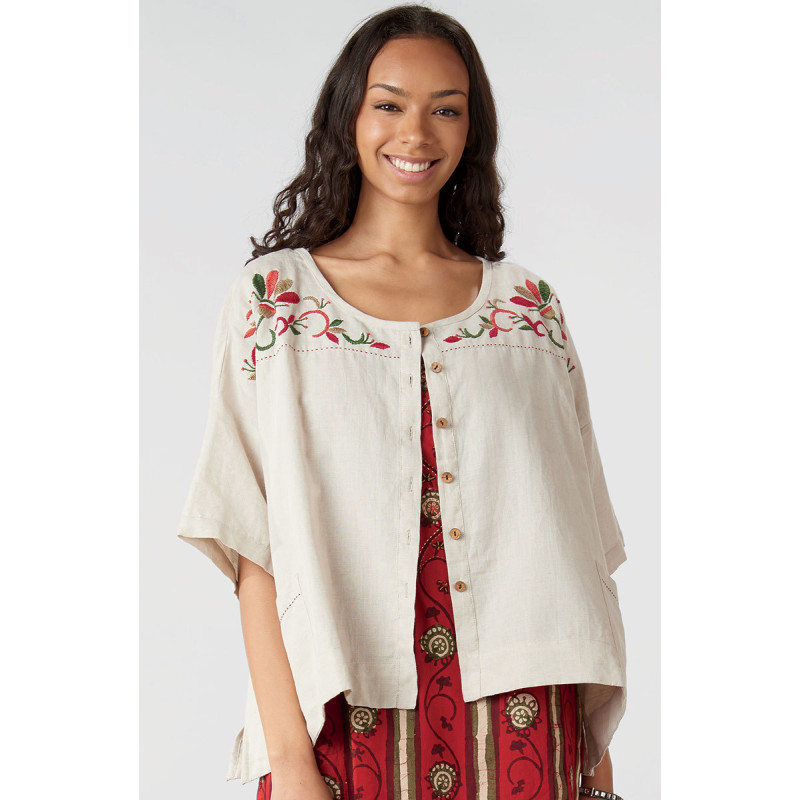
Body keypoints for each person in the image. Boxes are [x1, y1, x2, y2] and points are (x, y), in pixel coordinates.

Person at [177, 5, 629, 800]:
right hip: (344, 713)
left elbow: (579, 538)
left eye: (445, 109)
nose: (416, 133)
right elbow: (254, 546)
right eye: (389, 104)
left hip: (526, 719)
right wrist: (290, 760)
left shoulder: (528, 309)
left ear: (471, 130)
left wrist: (592, 751)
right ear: (348, 116)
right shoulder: (277, 301)